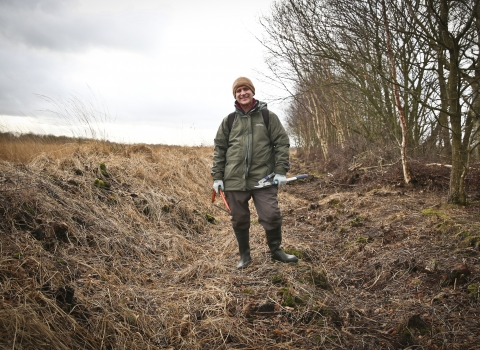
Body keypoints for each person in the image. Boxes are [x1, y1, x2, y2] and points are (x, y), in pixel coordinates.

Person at [211, 77, 299, 269]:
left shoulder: (268, 117)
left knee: (271, 214)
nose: (242, 93)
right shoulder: (229, 121)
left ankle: (276, 251)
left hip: (264, 178)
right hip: (234, 179)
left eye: (245, 89)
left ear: (252, 92)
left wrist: (280, 171)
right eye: (238, 91)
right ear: (235, 95)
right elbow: (219, 149)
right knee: (239, 218)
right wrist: (217, 177)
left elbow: (282, 143)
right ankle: (245, 256)